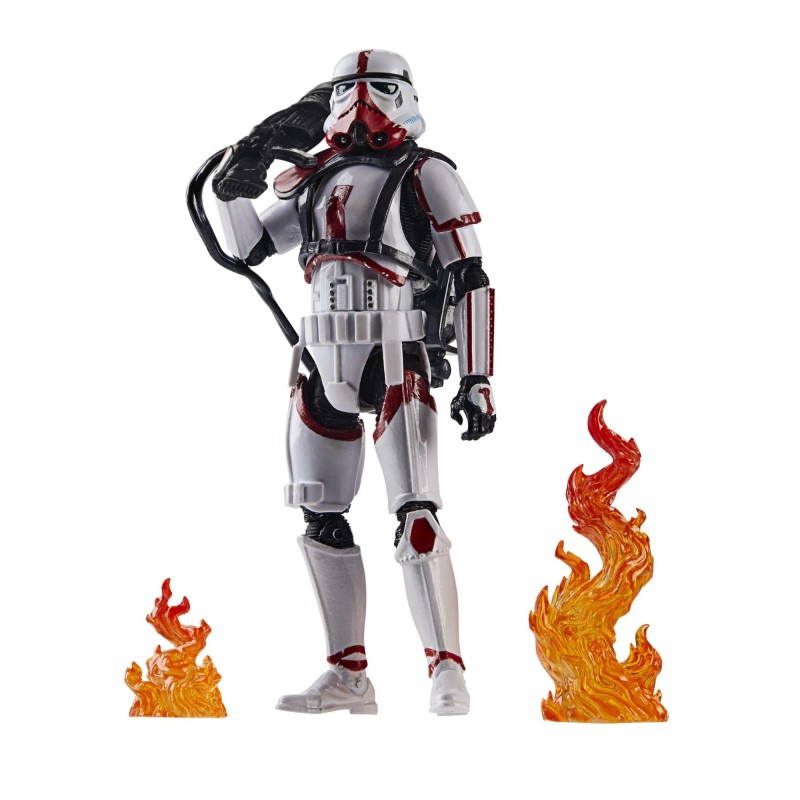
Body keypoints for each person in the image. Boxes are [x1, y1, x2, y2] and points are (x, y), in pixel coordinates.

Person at [213, 50, 495, 715]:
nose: (362, 104)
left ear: (404, 96)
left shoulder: (426, 172)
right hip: (319, 361)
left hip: (393, 352)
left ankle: (447, 670)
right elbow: (248, 247)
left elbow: (471, 278)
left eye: (380, 90)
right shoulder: (313, 178)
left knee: (417, 516)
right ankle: (349, 674)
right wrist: (234, 186)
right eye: (350, 91)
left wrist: (478, 377)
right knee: (320, 515)